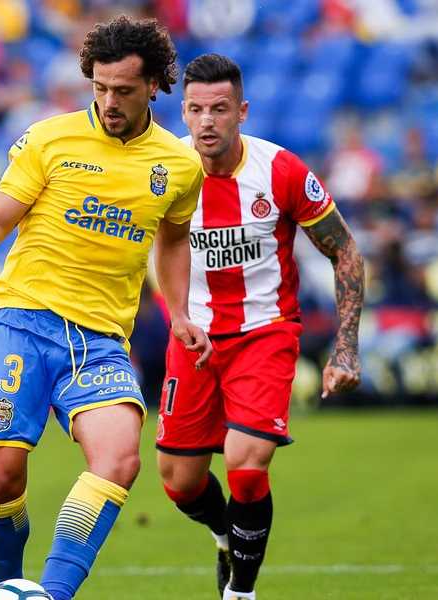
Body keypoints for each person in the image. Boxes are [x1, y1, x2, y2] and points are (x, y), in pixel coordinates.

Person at [0, 17, 209, 600]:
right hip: (21, 320)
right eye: (100, 88)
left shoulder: (179, 164)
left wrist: (180, 312)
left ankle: (52, 595)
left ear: (154, 86)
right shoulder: (49, 139)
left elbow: (172, 240)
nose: (109, 102)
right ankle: (8, 588)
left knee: (119, 459)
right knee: (2, 475)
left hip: (100, 340)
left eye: (124, 91)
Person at [155, 54, 364, 600]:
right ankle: (226, 534)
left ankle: (240, 593)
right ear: (183, 112)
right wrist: (177, 315)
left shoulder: (281, 171)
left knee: (247, 466)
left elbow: (344, 251)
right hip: (192, 337)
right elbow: (154, 245)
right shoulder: (165, 170)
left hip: (264, 333)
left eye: (219, 109)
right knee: (179, 483)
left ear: (242, 111)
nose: (206, 121)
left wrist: (345, 348)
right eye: (196, 109)